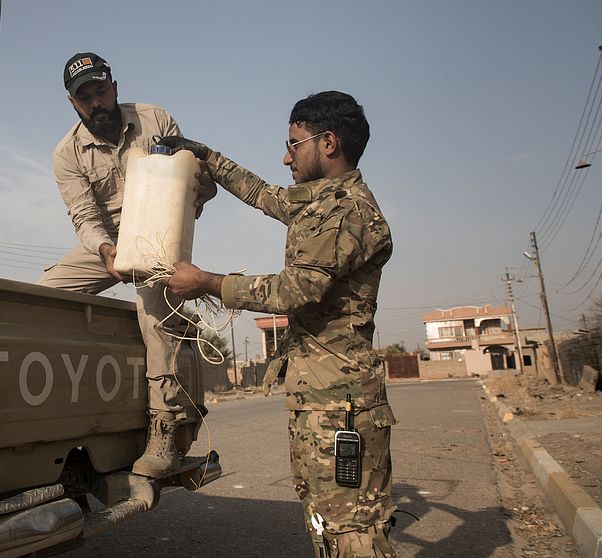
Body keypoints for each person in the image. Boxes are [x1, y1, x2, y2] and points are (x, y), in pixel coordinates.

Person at [161, 91, 396, 557]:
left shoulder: (346, 212)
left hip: (341, 408)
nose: (285, 156)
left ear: (327, 142)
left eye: (294, 144)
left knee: (353, 533)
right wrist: (206, 155)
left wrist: (208, 282)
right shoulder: (317, 203)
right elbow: (260, 193)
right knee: (326, 524)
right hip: (320, 402)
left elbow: (297, 289)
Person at [40, 52, 216, 478]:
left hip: (158, 235)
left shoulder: (157, 119)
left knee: (152, 315)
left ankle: (163, 430)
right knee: (42, 298)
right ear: (73, 104)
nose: (96, 102)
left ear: (114, 87)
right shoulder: (66, 154)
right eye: (86, 98)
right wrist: (106, 252)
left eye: (101, 91)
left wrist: (203, 188)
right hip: (110, 243)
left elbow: (197, 178)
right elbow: (84, 216)